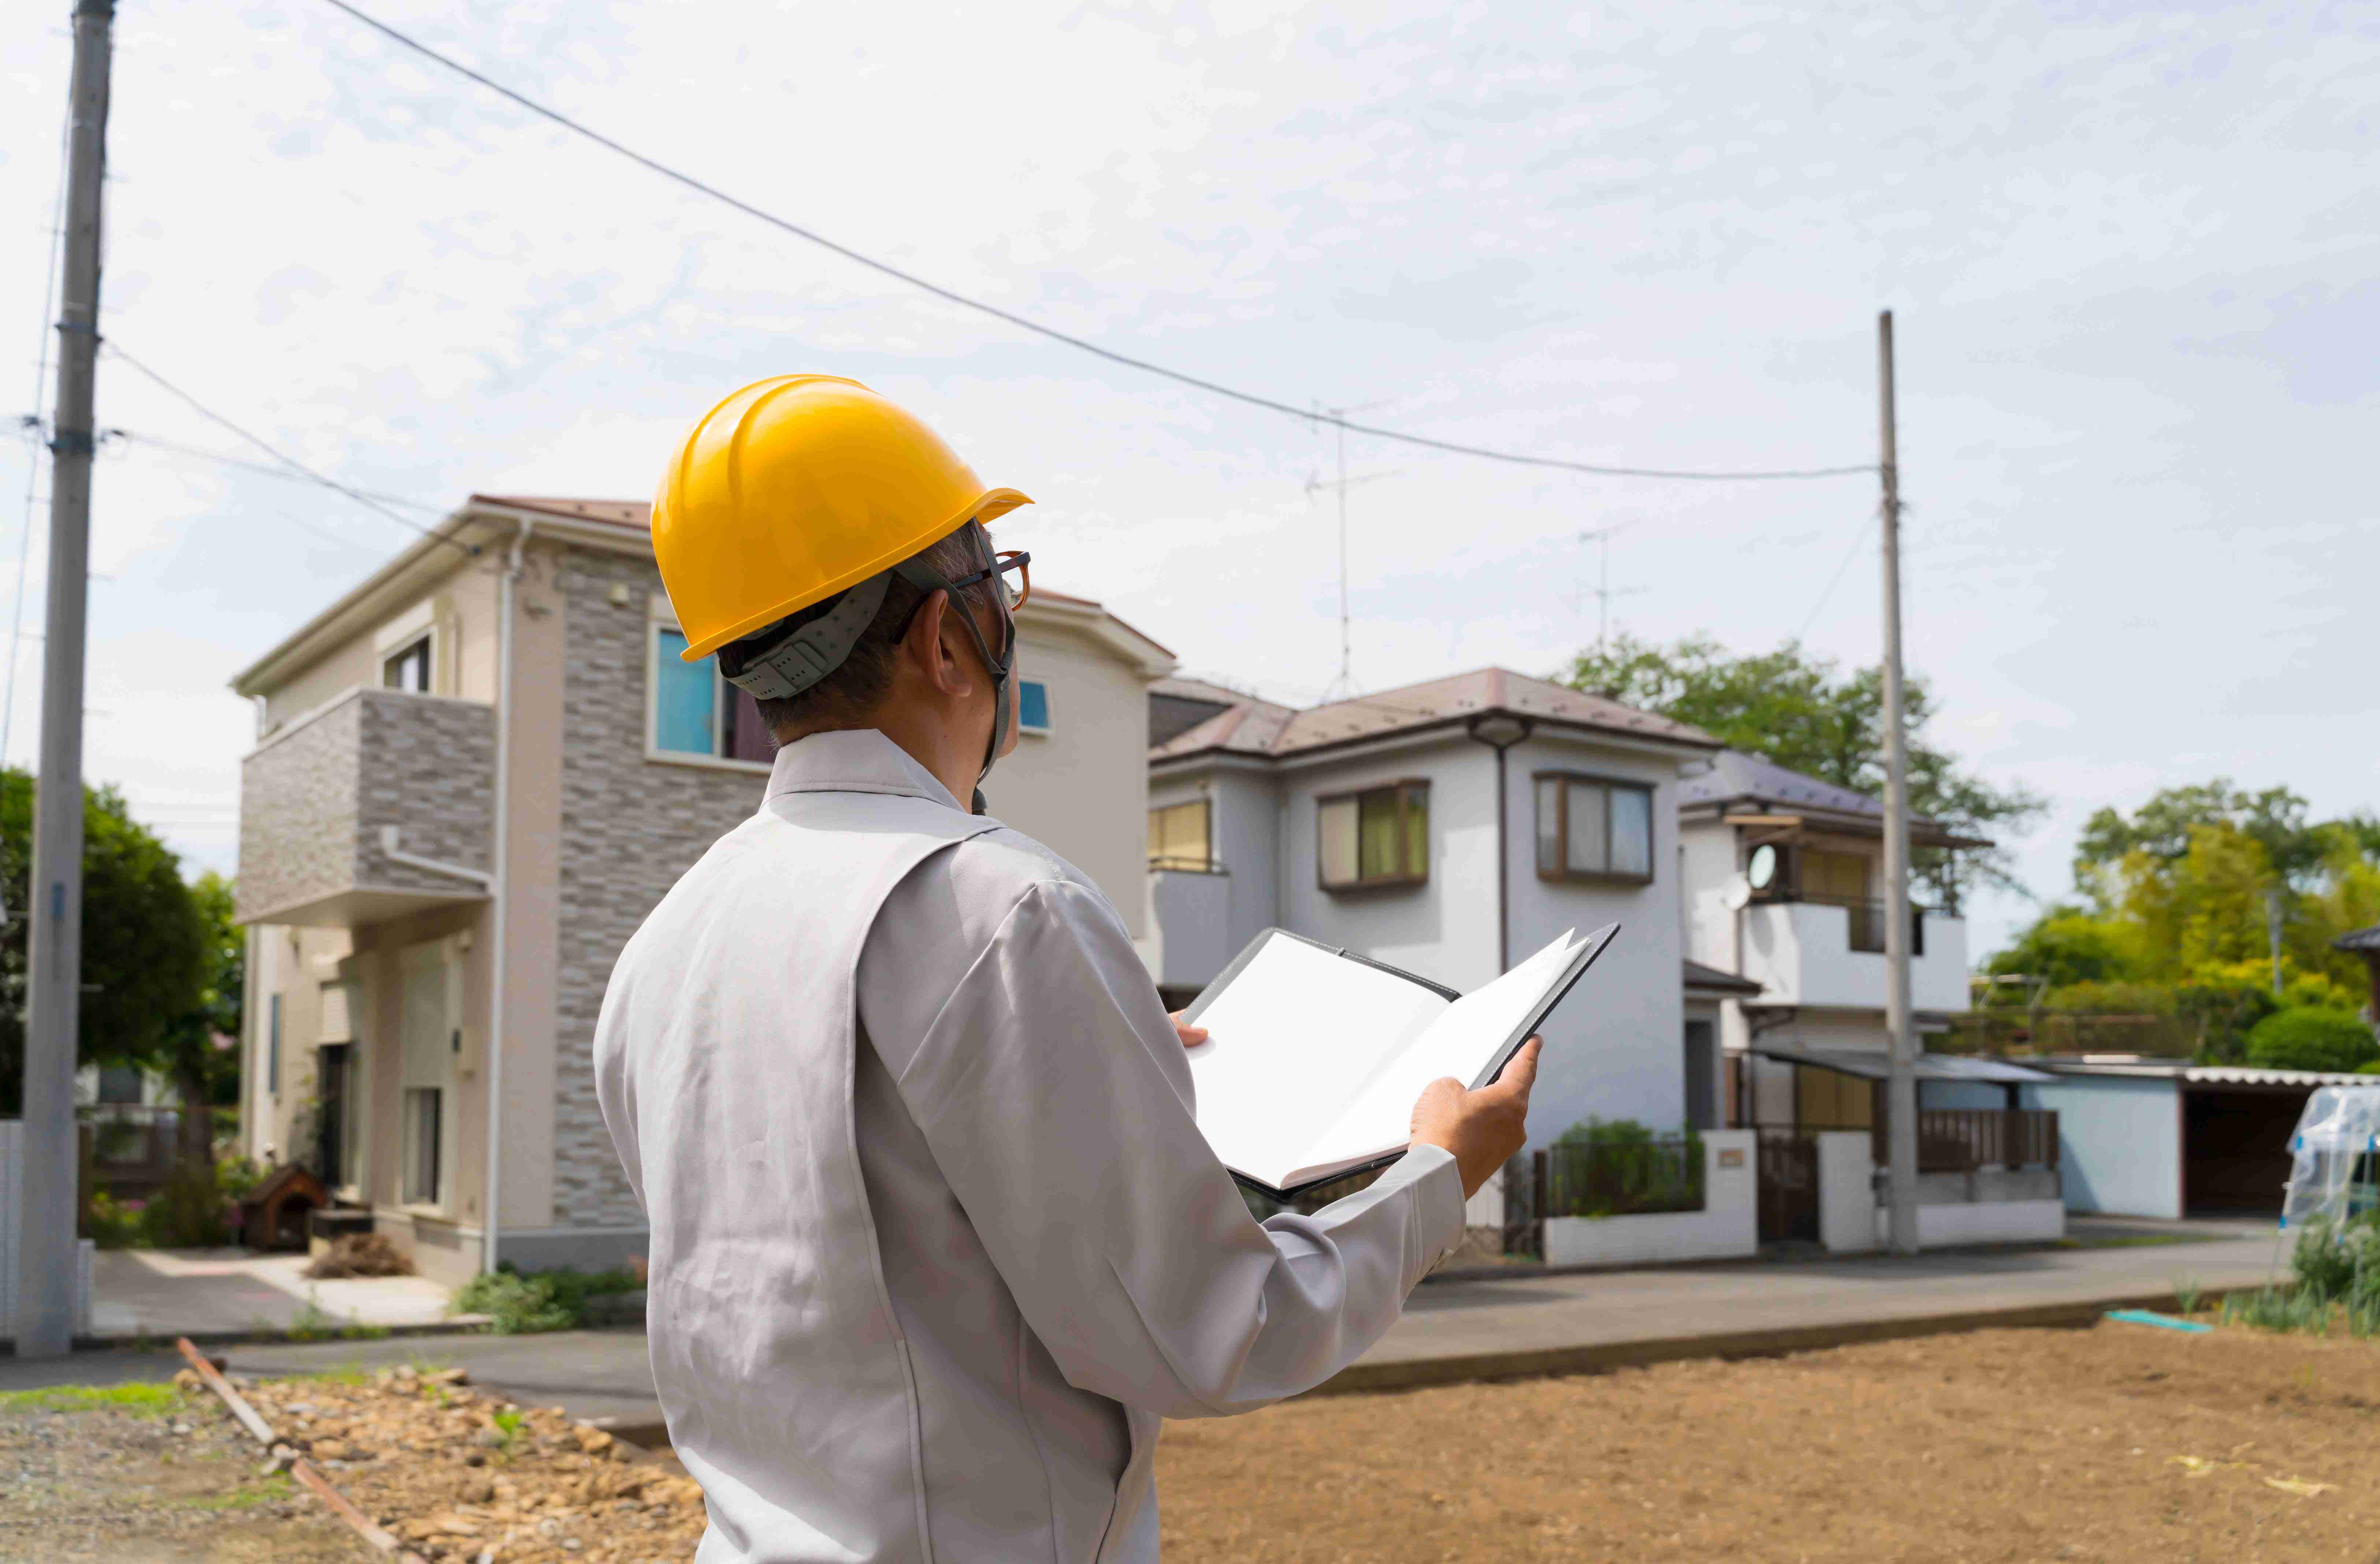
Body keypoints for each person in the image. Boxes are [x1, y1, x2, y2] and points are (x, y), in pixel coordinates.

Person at [594, 374, 1541, 1564]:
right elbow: (1214, 1333)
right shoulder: (1000, 910)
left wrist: (1092, 1058)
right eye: (1000, 586)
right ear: (951, 636)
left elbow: (854, 1232)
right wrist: (1440, 1174)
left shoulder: (669, 942)